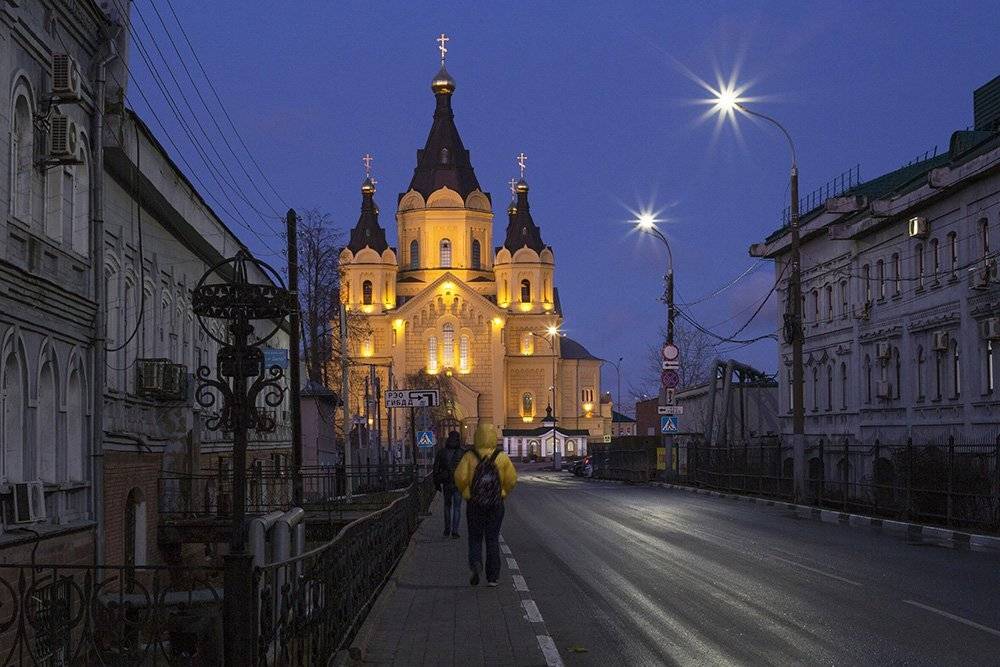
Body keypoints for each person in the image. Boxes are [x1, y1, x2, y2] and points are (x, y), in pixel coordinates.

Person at [454, 423, 517, 587]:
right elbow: (511, 479)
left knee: (475, 538)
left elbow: (460, 477)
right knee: (492, 539)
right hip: (495, 505)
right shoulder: (501, 457)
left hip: (474, 504)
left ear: (477, 437)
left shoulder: (470, 456)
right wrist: (503, 492)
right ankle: (493, 577)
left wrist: (467, 493)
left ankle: (476, 563)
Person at [432, 431, 465, 538]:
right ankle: (455, 531)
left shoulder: (442, 452)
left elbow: (436, 468)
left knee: (447, 506)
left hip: (446, 482)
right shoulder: (462, 452)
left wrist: (437, 483)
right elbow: (467, 469)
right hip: (458, 483)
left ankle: (447, 530)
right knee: (457, 507)